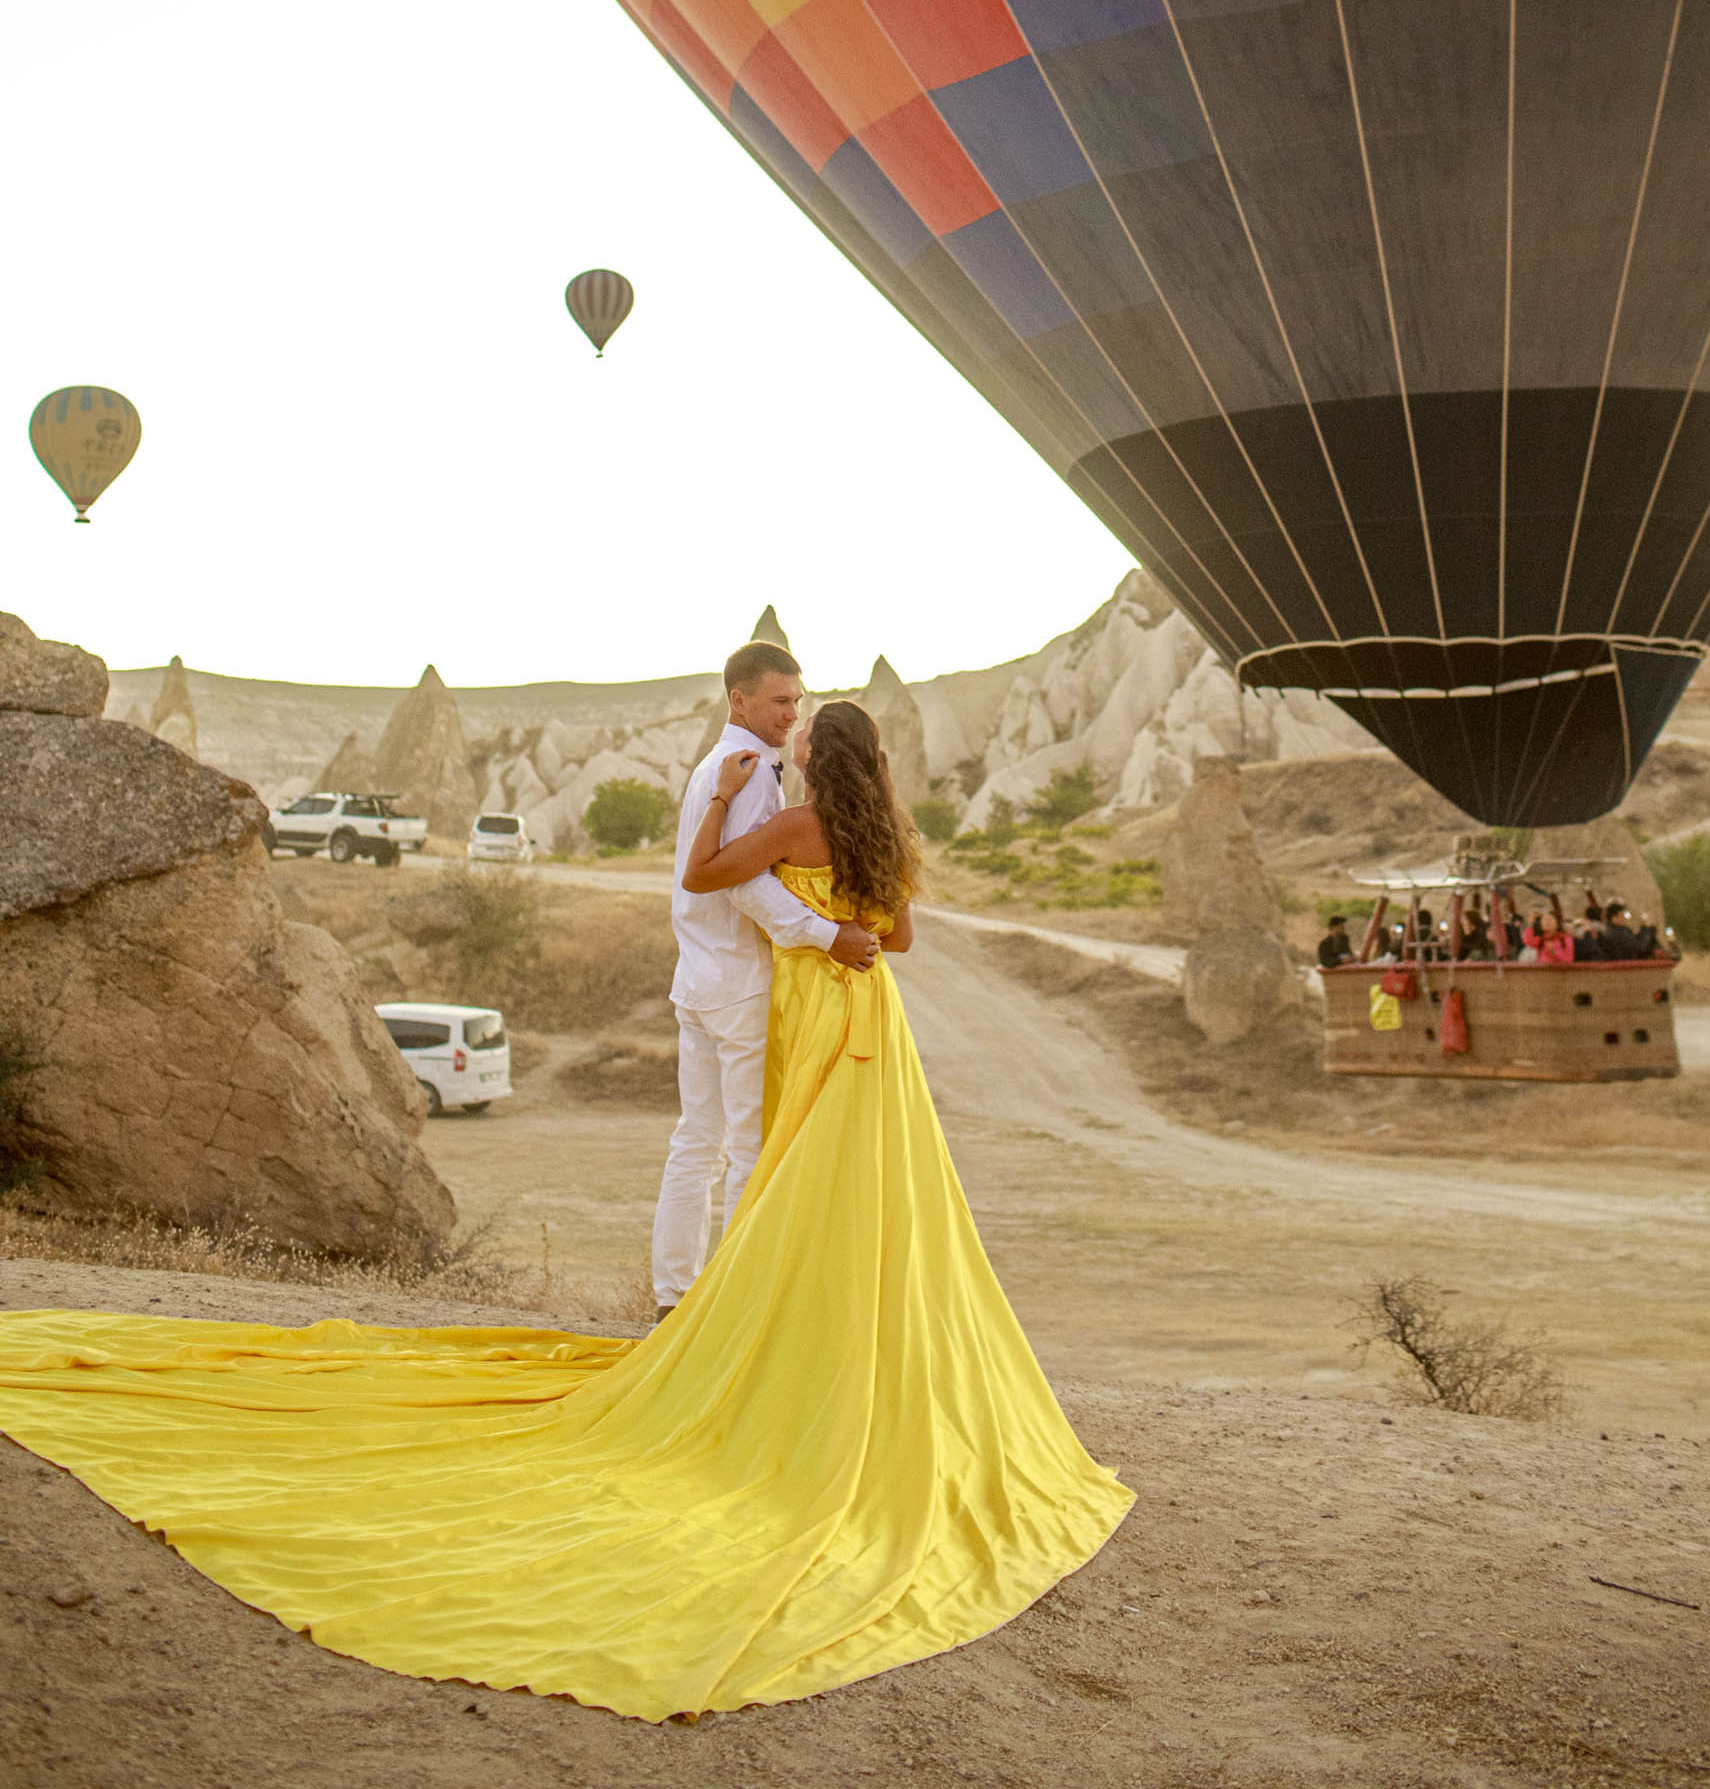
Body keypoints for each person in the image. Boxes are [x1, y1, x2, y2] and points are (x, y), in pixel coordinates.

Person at [0, 709, 1130, 1721]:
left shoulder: (797, 825)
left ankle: (770, 1342)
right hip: (874, 1019)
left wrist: (739, 806)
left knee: (786, 1178)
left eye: (795, 745)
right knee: (872, 1194)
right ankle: (862, 1345)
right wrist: (848, 934)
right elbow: (904, 942)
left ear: (811, 760)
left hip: (813, 1019)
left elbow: (696, 875)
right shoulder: (885, 832)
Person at [651, 639, 880, 1321]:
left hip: (695, 978)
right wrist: (826, 935)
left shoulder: (712, 771)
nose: (791, 713)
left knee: (695, 1143)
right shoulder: (752, 774)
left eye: (796, 702)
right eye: (781, 701)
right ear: (739, 700)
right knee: (747, 1147)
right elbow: (744, 884)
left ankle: (674, 1298)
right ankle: (730, 1306)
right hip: (741, 983)